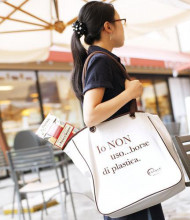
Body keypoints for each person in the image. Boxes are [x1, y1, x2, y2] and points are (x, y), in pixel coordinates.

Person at [71, 1, 165, 220]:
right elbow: (91, 116)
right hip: (126, 164)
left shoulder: (101, 59)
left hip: (123, 161)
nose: (124, 27)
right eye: (120, 21)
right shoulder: (101, 61)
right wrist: (130, 93)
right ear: (108, 27)